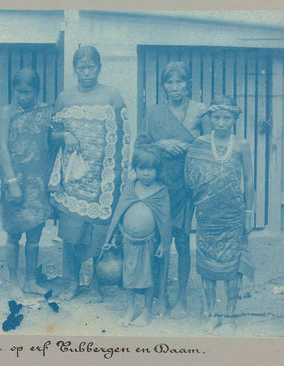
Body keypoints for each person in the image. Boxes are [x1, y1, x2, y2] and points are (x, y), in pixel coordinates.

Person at [49, 46, 130, 301]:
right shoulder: (64, 98)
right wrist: (65, 135)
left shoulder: (112, 96)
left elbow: (123, 138)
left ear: (99, 68)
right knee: (72, 231)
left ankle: (95, 283)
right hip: (73, 180)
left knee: (98, 233)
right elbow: (51, 134)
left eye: (91, 67)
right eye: (81, 68)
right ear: (75, 69)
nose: (86, 73)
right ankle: (71, 281)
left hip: (102, 180)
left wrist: (117, 178)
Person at [139, 61, 210, 318]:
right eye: (169, 82)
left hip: (187, 185)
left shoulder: (200, 112)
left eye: (180, 81)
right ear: (163, 86)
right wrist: (161, 144)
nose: (175, 87)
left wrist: (187, 146)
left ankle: (181, 297)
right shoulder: (155, 112)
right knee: (158, 239)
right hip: (160, 185)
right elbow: (140, 147)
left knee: (181, 240)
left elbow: (209, 147)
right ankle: (160, 294)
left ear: (188, 83)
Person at [185, 96, 255, 332]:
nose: (221, 122)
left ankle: (231, 314)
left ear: (234, 119)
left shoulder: (242, 144)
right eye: (216, 117)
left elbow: (250, 180)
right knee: (208, 266)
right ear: (210, 118)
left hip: (234, 216)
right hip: (207, 216)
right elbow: (191, 177)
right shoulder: (200, 143)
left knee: (234, 267)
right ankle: (211, 313)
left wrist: (248, 212)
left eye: (227, 118)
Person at [104, 136, 171, 327]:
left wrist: (163, 244)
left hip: (150, 243)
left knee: (148, 277)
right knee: (129, 276)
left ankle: (147, 310)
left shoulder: (161, 191)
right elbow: (120, 211)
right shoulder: (131, 187)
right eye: (142, 169)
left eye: (150, 169)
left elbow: (164, 222)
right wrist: (116, 236)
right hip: (128, 241)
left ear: (157, 170)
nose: (146, 173)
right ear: (135, 169)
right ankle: (130, 310)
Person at [0, 68, 53, 298]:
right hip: (14, 180)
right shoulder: (7, 113)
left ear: (36, 91)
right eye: (19, 92)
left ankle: (30, 280)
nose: (23, 96)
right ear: (13, 90)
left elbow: (54, 137)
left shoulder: (46, 112)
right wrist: (11, 181)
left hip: (38, 182)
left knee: (34, 236)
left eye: (28, 92)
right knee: (13, 234)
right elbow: (2, 148)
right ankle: (13, 281)